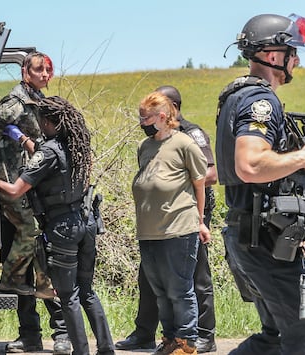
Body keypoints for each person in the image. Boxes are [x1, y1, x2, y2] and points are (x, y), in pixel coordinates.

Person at [215, 14, 305, 354]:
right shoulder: (259, 101)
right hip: (260, 240)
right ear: (273, 55)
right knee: (302, 339)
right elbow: (250, 164)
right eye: (292, 51)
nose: (297, 59)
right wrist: (303, 158)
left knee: (275, 338)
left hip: (259, 235)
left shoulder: (237, 95)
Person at [0, 96, 115, 355]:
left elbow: (16, 190)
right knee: (87, 292)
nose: (38, 125)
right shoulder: (77, 147)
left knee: (67, 294)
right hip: (86, 222)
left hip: (63, 229)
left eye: (41, 121)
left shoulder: (48, 151)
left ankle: (81, 352)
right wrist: (23, 140)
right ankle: (106, 350)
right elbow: (46, 155)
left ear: (49, 122)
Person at [115, 86, 218, 353]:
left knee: (181, 290)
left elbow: (201, 183)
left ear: (162, 116)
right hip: (149, 231)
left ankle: (187, 342)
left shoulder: (185, 142)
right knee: (159, 291)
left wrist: (200, 220)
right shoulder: (144, 146)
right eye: (141, 118)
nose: (142, 124)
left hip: (178, 227)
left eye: (146, 118)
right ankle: (169, 339)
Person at [0, 52, 70, 354]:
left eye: (49, 70)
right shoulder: (17, 99)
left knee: (42, 258)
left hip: (33, 189)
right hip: (14, 188)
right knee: (24, 259)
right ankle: (29, 333)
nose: (45, 74)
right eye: (40, 69)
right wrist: (22, 137)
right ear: (26, 72)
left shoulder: (38, 99)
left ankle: (60, 332)